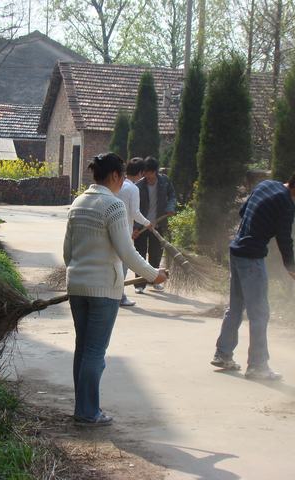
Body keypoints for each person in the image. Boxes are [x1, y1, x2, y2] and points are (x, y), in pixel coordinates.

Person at [64, 152, 167, 426]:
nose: (123, 181)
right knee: (95, 352)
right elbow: (127, 252)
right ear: (114, 176)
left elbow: (67, 251)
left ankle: (82, 408)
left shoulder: (78, 203)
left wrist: (78, 274)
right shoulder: (113, 206)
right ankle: (88, 412)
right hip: (103, 291)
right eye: (121, 176)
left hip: (76, 286)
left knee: (82, 348)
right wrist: (153, 275)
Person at [211, 166, 295, 380]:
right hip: (251, 258)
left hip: (236, 251)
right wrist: (292, 266)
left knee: (235, 307)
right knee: (259, 313)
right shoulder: (285, 203)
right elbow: (284, 238)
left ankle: (223, 354)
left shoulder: (266, 185)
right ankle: (258, 366)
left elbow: (243, 212)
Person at [133, 156, 176, 293]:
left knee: (155, 253)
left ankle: (154, 281)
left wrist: (170, 207)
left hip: (158, 224)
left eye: (150, 173)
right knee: (140, 254)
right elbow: (134, 209)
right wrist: (135, 228)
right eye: (145, 172)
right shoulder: (138, 186)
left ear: (155, 171)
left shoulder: (164, 182)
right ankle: (139, 284)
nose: (147, 176)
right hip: (142, 225)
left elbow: (172, 196)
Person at [116, 157, 151, 307]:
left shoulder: (118, 185)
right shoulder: (133, 188)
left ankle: (113, 294)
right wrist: (147, 223)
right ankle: (120, 296)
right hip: (125, 232)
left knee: (114, 264)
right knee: (123, 265)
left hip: (112, 230)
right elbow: (135, 212)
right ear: (141, 173)